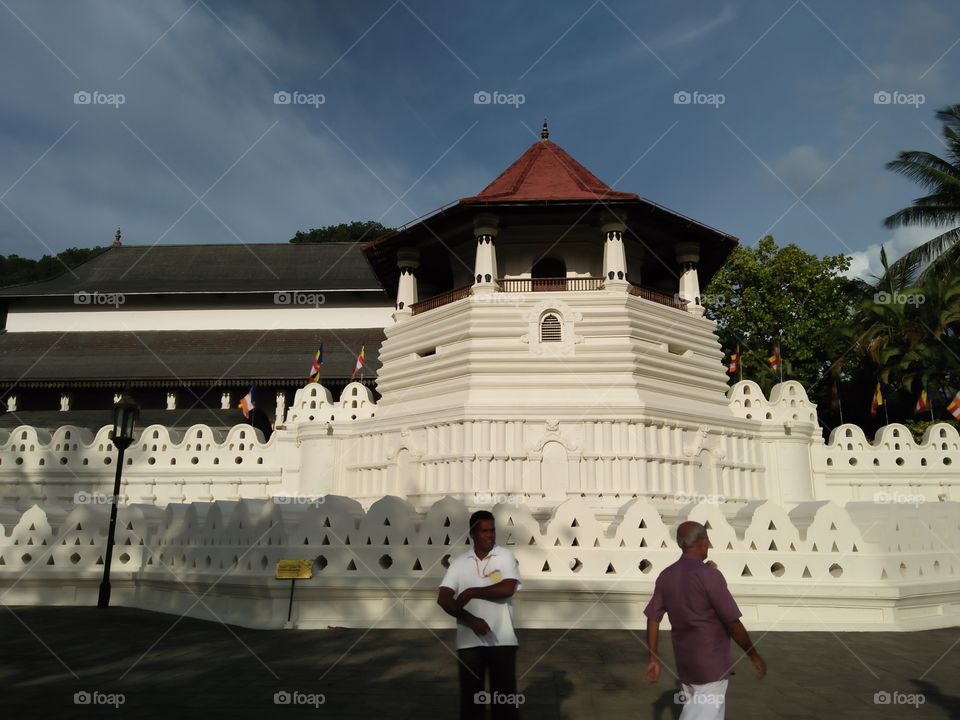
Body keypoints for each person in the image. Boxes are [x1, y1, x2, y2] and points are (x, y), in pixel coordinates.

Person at [644, 520, 766, 719]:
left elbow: (653, 618)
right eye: (707, 542)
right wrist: (753, 655)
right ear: (702, 542)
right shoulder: (709, 576)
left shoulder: (666, 576)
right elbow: (733, 623)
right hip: (711, 664)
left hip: (686, 664)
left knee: (700, 710)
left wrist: (653, 658)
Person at [438, 510, 522, 719]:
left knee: (504, 702)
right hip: (469, 642)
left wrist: (471, 591)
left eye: (492, 530)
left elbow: (507, 588)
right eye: (484, 531)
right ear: (472, 534)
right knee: (471, 702)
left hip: (502, 639)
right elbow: (444, 598)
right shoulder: (459, 562)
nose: (490, 535)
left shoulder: (504, 556)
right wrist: (471, 620)